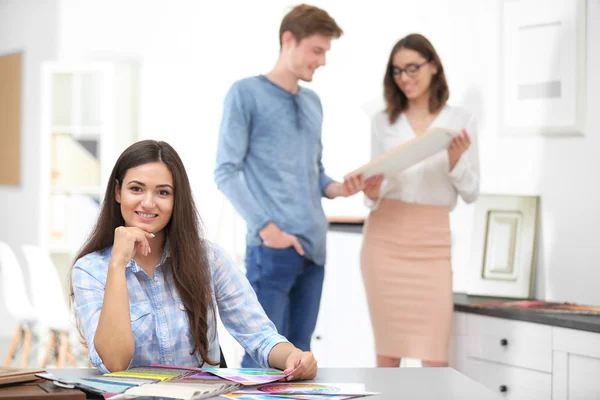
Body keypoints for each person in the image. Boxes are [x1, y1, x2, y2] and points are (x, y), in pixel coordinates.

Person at [69, 140, 318, 378]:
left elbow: (260, 337)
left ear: (177, 200)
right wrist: (117, 264)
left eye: (163, 192)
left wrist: (293, 358)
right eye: (136, 189)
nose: (148, 202)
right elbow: (114, 362)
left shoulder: (209, 259)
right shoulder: (91, 269)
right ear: (117, 192)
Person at [214, 4, 364, 368]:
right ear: (288, 40)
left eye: (326, 52)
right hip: (273, 251)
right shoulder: (245, 94)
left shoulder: (314, 103)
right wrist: (267, 230)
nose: (323, 61)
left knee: (301, 364)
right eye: (317, 50)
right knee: (262, 362)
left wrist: (341, 188)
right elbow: (226, 171)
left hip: (315, 252)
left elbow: (315, 174)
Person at [360, 33, 480, 368]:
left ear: (434, 66)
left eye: (412, 68)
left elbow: (471, 192)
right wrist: (372, 192)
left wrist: (456, 163)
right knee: (388, 355)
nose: (405, 78)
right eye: (397, 71)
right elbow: (378, 185)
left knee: (435, 358)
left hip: (432, 244)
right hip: (384, 241)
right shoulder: (383, 121)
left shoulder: (460, 121)